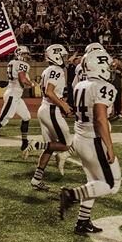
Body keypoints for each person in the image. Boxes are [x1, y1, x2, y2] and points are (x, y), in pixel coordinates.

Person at [57, 49, 121, 234]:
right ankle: (70, 195)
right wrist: (109, 146)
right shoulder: (105, 87)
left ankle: (82, 222)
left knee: (92, 181)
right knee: (111, 185)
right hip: (94, 141)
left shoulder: (80, 85)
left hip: (80, 138)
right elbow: (101, 119)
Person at [28, 44, 74, 190]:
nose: (65, 59)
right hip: (51, 110)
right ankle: (36, 145)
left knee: (51, 147)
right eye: (63, 56)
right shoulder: (56, 70)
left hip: (45, 109)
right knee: (67, 145)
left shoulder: (48, 70)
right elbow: (49, 91)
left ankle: (37, 178)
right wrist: (63, 105)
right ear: (56, 56)